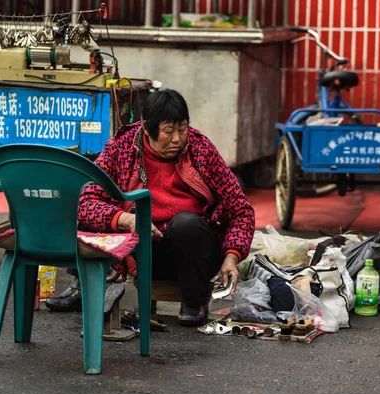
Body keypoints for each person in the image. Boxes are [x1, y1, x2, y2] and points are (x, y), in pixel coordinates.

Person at [46, 89, 255, 326]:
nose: (177, 138)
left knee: (187, 225)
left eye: (182, 128)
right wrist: (126, 219)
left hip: (191, 253)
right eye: (169, 131)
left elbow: (241, 209)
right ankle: (81, 289)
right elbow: (87, 202)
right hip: (137, 250)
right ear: (147, 128)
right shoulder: (121, 147)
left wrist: (232, 257)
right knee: (94, 217)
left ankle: (194, 302)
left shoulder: (201, 150)